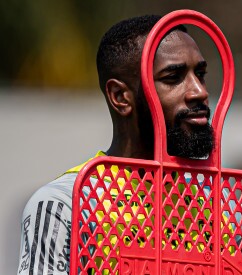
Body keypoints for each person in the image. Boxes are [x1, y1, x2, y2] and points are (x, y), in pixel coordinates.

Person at [17, 14, 214, 274]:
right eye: (173, 77)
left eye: (200, 74)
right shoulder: (67, 204)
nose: (199, 91)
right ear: (121, 97)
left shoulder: (216, 207)